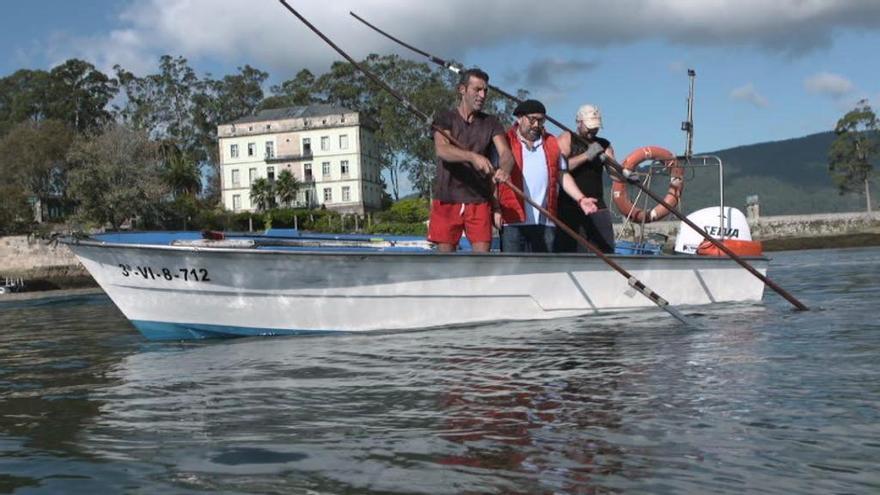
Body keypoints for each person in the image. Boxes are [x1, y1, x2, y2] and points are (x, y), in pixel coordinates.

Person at [496, 99, 599, 253]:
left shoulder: (551, 143)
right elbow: (493, 179)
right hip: (512, 221)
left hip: (546, 222)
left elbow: (561, 174)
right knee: (512, 272)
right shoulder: (505, 141)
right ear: (520, 118)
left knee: (543, 272)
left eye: (541, 120)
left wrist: (581, 199)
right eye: (532, 120)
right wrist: (496, 209)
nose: (536, 125)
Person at [429, 68, 514, 252]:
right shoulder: (445, 117)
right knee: (445, 261)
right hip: (447, 198)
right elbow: (442, 149)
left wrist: (505, 169)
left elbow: (506, 153)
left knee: (482, 260)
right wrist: (472, 156)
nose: (482, 95)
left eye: (485, 91)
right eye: (477, 90)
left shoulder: (491, 122)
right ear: (462, 89)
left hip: (479, 200)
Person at [554, 104, 616, 253]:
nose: (592, 131)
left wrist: (625, 175)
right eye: (589, 127)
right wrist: (586, 156)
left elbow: (614, 173)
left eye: (595, 127)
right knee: (569, 250)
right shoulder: (567, 138)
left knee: (605, 249)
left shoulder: (603, 144)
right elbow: (558, 167)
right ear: (579, 122)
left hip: (597, 204)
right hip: (569, 206)